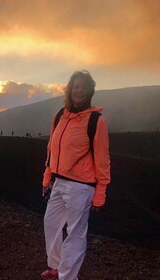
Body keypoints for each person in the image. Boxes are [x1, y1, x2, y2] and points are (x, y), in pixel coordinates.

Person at [41, 70, 110, 280]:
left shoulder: (96, 121)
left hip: (82, 187)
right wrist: (48, 174)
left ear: (90, 91)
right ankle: (56, 266)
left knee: (75, 233)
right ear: (69, 89)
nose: (78, 91)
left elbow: (102, 159)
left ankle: (68, 277)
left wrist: (101, 191)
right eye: (75, 86)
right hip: (59, 181)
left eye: (83, 87)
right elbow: (51, 148)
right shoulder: (61, 115)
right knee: (51, 223)